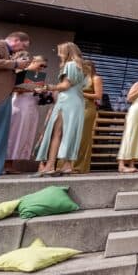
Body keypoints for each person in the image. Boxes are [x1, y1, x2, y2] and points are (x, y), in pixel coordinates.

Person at [34, 42, 86, 177]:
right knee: (69, 133)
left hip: (66, 101)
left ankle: (50, 165)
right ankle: (67, 165)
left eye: (60, 51)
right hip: (77, 101)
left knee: (56, 133)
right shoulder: (81, 67)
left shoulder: (69, 65)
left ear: (66, 52)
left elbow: (65, 85)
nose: (58, 54)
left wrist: (47, 87)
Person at [5, 55, 46, 173]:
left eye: (45, 66)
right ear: (33, 61)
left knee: (23, 136)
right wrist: (32, 89)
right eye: (41, 65)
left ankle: (11, 164)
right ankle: (7, 164)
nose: (42, 68)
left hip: (31, 107)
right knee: (14, 135)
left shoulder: (38, 76)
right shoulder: (22, 73)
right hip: (19, 106)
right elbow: (13, 89)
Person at [0, 32, 31, 129]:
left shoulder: (9, 51)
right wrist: (15, 64)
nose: (23, 49)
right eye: (23, 46)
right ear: (16, 40)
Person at [72, 60, 103, 174]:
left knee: (82, 137)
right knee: (72, 136)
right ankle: (66, 165)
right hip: (74, 108)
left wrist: (81, 93)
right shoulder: (79, 79)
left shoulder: (96, 78)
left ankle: (79, 166)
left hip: (87, 108)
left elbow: (98, 96)